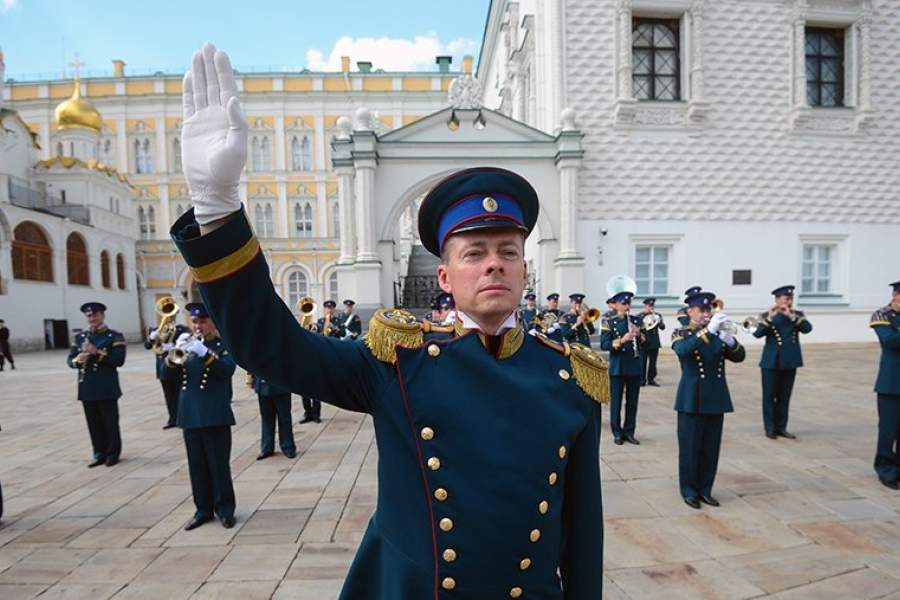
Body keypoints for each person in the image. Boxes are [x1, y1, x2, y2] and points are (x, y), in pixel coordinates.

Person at [174, 47, 609, 596]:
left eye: (507, 250)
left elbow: (582, 534)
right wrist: (217, 210)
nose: (493, 261)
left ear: (526, 269)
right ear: (445, 277)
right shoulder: (398, 361)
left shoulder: (571, 377)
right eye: (473, 252)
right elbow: (273, 347)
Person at [671, 290, 745, 509]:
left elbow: (739, 357)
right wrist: (708, 331)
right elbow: (683, 351)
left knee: (710, 448)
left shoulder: (717, 334)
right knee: (690, 448)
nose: (706, 313)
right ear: (690, 311)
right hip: (691, 398)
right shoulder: (681, 332)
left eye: (709, 310)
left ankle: (705, 489)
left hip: (716, 397)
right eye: (702, 310)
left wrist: (730, 341)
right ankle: (689, 490)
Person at [177, 302, 238, 530]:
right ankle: (202, 509)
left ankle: (225, 509)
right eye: (195, 321)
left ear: (212, 322)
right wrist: (172, 351)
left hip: (214, 413)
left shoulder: (223, 345)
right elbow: (166, 374)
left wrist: (205, 355)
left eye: (203, 321)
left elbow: (227, 370)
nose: (198, 325)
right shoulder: (188, 345)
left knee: (217, 465)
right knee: (197, 466)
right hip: (190, 414)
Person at [66, 302, 126, 467]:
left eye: (95, 315)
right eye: (89, 315)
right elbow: (70, 360)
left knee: (110, 422)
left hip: (106, 386)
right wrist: (77, 361)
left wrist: (96, 353)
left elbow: (118, 361)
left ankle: (113, 453)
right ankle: (98, 452)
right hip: (87, 386)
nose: (92, 318)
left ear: (102, 315)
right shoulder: (80, 337)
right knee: (93, 423)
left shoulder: (114, 336)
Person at [752, 285, 812, 440]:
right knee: (769, 396)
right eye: (786, 298)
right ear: (777, 300)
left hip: (790, 360)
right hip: (771, 361)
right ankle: (770, 428)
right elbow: (757, 334)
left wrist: (792, 316)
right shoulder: (766, 315)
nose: (789, 301)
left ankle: (782, 427)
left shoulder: (796, 315)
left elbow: (807, 329)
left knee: (785, 396)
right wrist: (769, 319)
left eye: (791, 298)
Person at [601, 290, 644, 445]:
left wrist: (639, 335)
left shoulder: (636, 321)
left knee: (632, 402)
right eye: (624, 304)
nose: (627, 307)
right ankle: (617, 432)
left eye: (628, 304)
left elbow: (643, 343)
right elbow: (604, 344)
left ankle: (629, 431)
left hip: (633, 366)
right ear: (616, 304)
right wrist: (622, 340)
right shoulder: (609, 322)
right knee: (616, 402)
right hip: (618, 367)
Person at [870, 280, 900, 490]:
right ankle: (886, 468)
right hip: (891, 382)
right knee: (888, 430)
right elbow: (890, 341)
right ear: (896, 295)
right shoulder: (882, 315)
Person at [144, 318, 190, 429]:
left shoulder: (181, 330)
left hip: (177, 368)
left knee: (180, 394)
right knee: (169, 396)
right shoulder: (156, 330)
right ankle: (172, 419)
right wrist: (151, 338)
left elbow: (186, 345)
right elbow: (147, 346)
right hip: (162, 368)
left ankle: (182, 418)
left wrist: (173, 346)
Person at [247, 373, 296, 460]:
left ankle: (287, 446)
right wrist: (250, 376)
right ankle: (267, 447)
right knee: (266, 417)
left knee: (284, 417)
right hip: (262, 383)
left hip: (281, 383)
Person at [639, 297, 665, 386]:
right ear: (645, 306)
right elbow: (637, 328)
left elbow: (662, 327)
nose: (651, 308)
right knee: (642, 362)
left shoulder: (657, 315)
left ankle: (651, 379)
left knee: (653, 363)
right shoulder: (640, 316)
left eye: (652, 306)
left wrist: (659, 321)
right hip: (643, 342)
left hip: (654, 342)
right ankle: (641, 380)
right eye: (649, 306)